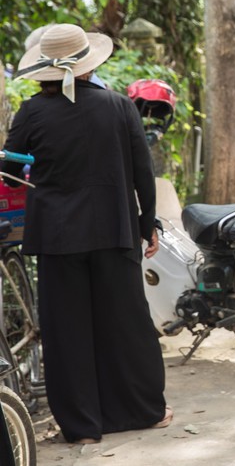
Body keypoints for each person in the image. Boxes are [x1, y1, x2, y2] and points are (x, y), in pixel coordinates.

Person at [1, 24, 171, 443]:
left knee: (67, 331)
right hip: (115, 231)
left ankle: (81, 427)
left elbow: (7, 171)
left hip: (58, 239)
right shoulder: (118, 106)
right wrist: (147, 223)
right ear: (87, 64)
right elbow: (142, 174)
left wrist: (36, 174)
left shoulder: (32, 112)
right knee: (126, 324)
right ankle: (144, 411)